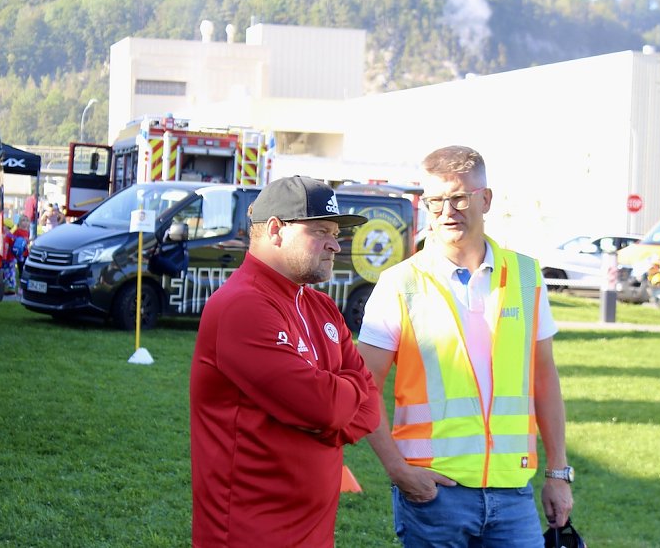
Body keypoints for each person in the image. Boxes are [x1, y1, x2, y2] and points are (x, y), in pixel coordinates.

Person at [358, 145, 574, 547]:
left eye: (459, 198)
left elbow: (544, 378)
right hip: (434, 495)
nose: (447, 212)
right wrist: (397, 470)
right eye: (435, 201)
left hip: (513, 494)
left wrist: (558, 473)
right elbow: (362, 386)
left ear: (485, 199)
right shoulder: (399, 283)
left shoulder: (526, 276)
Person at [190, 175, 381, 547]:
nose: (335, 246)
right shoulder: (241, 306)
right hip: (248, 535)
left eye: (335, 233)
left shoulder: (320, 306)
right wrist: (334, 409)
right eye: (322, 231)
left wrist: (333, 408)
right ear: (276, 229)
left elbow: (369, 409)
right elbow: (324, 408)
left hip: (314, 534)